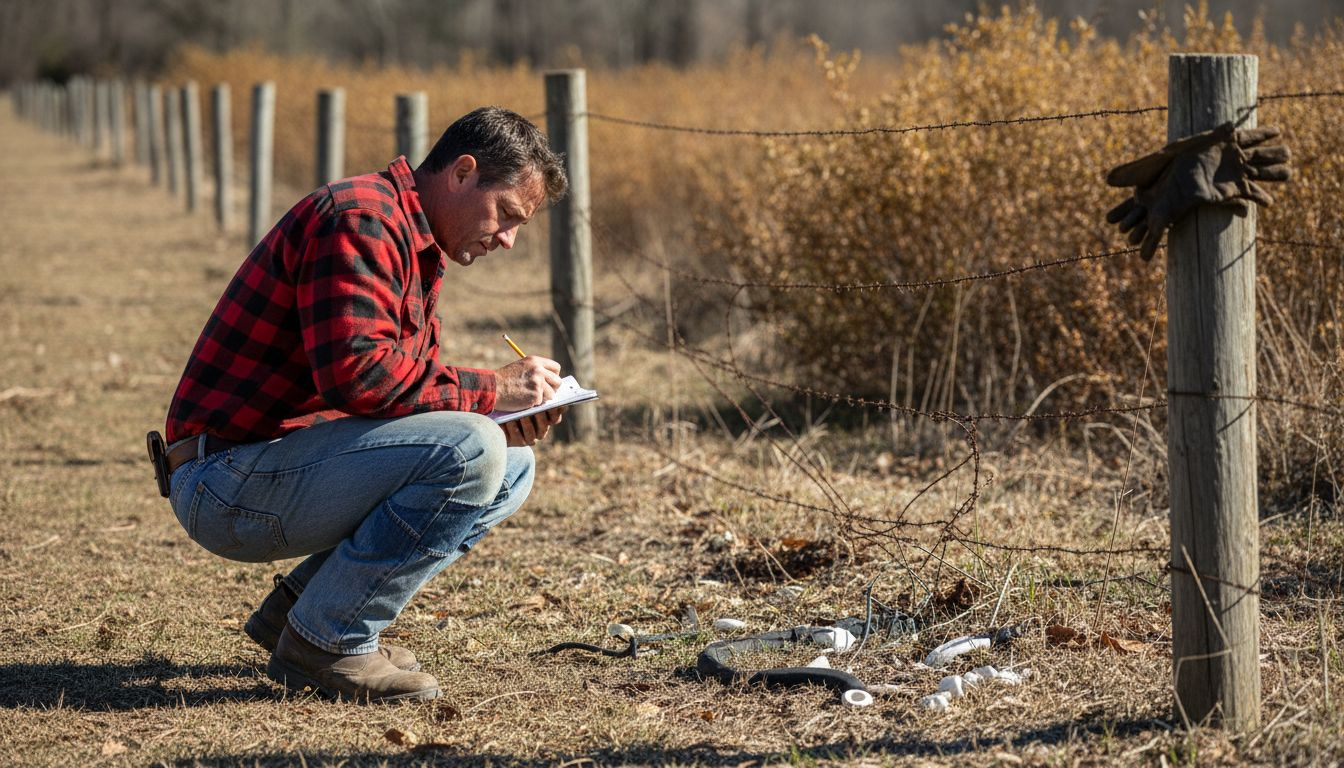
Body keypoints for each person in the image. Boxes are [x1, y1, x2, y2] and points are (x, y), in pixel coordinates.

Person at [156, 107, 569, 702]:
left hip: (271, 466)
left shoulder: (411, 238)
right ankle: (328, 642)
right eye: (506, 214)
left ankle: (302, 612)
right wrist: (492, 392)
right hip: (225, 482)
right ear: (462, 173)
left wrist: (499, 418)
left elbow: (399, 398)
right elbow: (363, 378)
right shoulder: (360, 219)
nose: (507, 238)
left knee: (509, 463)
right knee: (473, 447)